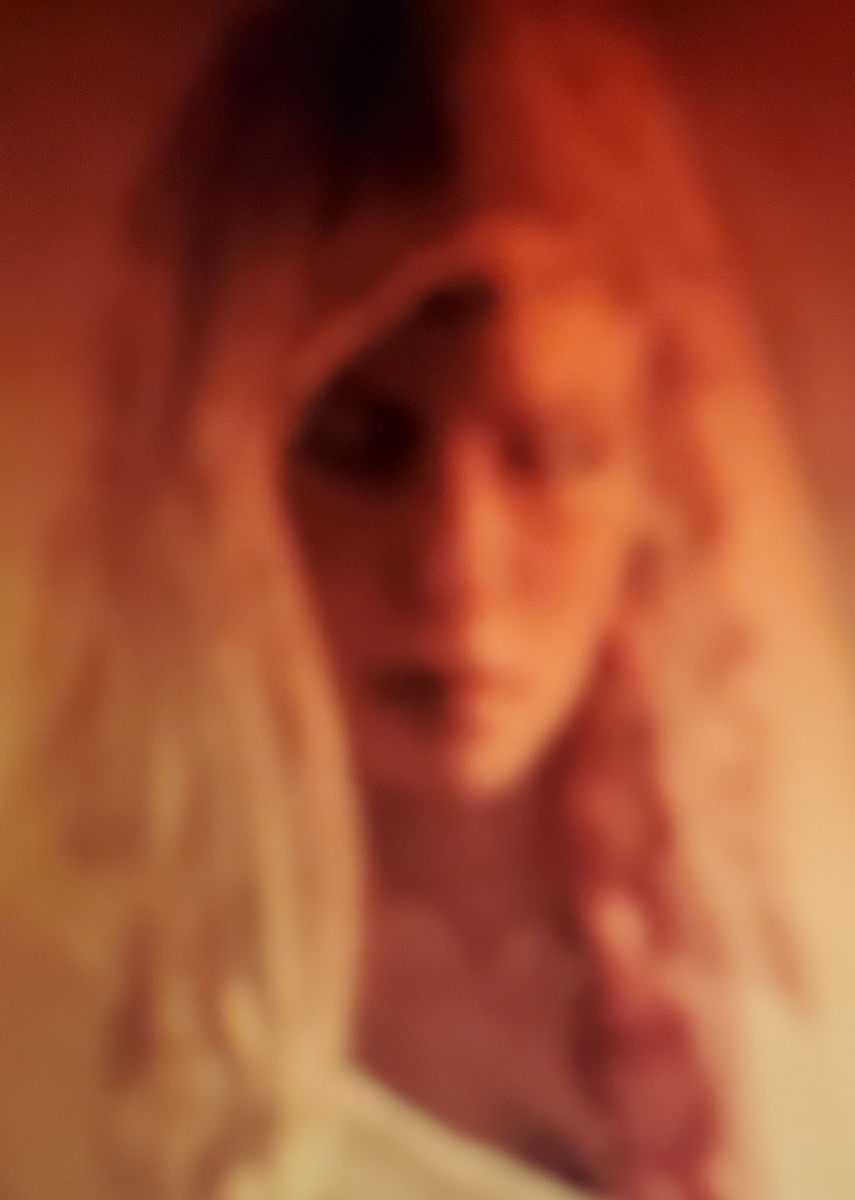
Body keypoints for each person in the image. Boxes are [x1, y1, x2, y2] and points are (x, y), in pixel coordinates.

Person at [4, 2, 855, 1199]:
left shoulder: (765, 1001)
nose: (456, 563)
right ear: (216, 489)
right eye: (360, 443)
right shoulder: (65, 1020)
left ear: (655, 482)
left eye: (551, 453)